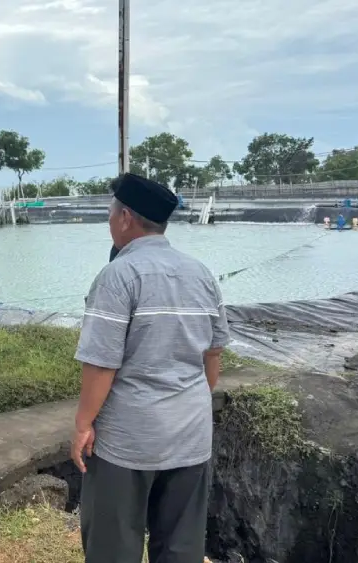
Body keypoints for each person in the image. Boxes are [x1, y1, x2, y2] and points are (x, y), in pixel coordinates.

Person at [71, 173, 230, 562]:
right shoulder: (201, 274)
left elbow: (101, 365)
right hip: (191, 436)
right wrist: (185, 404)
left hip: (129, 442)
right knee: (180, 546)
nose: (109, 221)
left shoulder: (118, 275)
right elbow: (212, 358)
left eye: (111, 213)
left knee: (114, 546)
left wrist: (81, 426)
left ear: (125, 217)